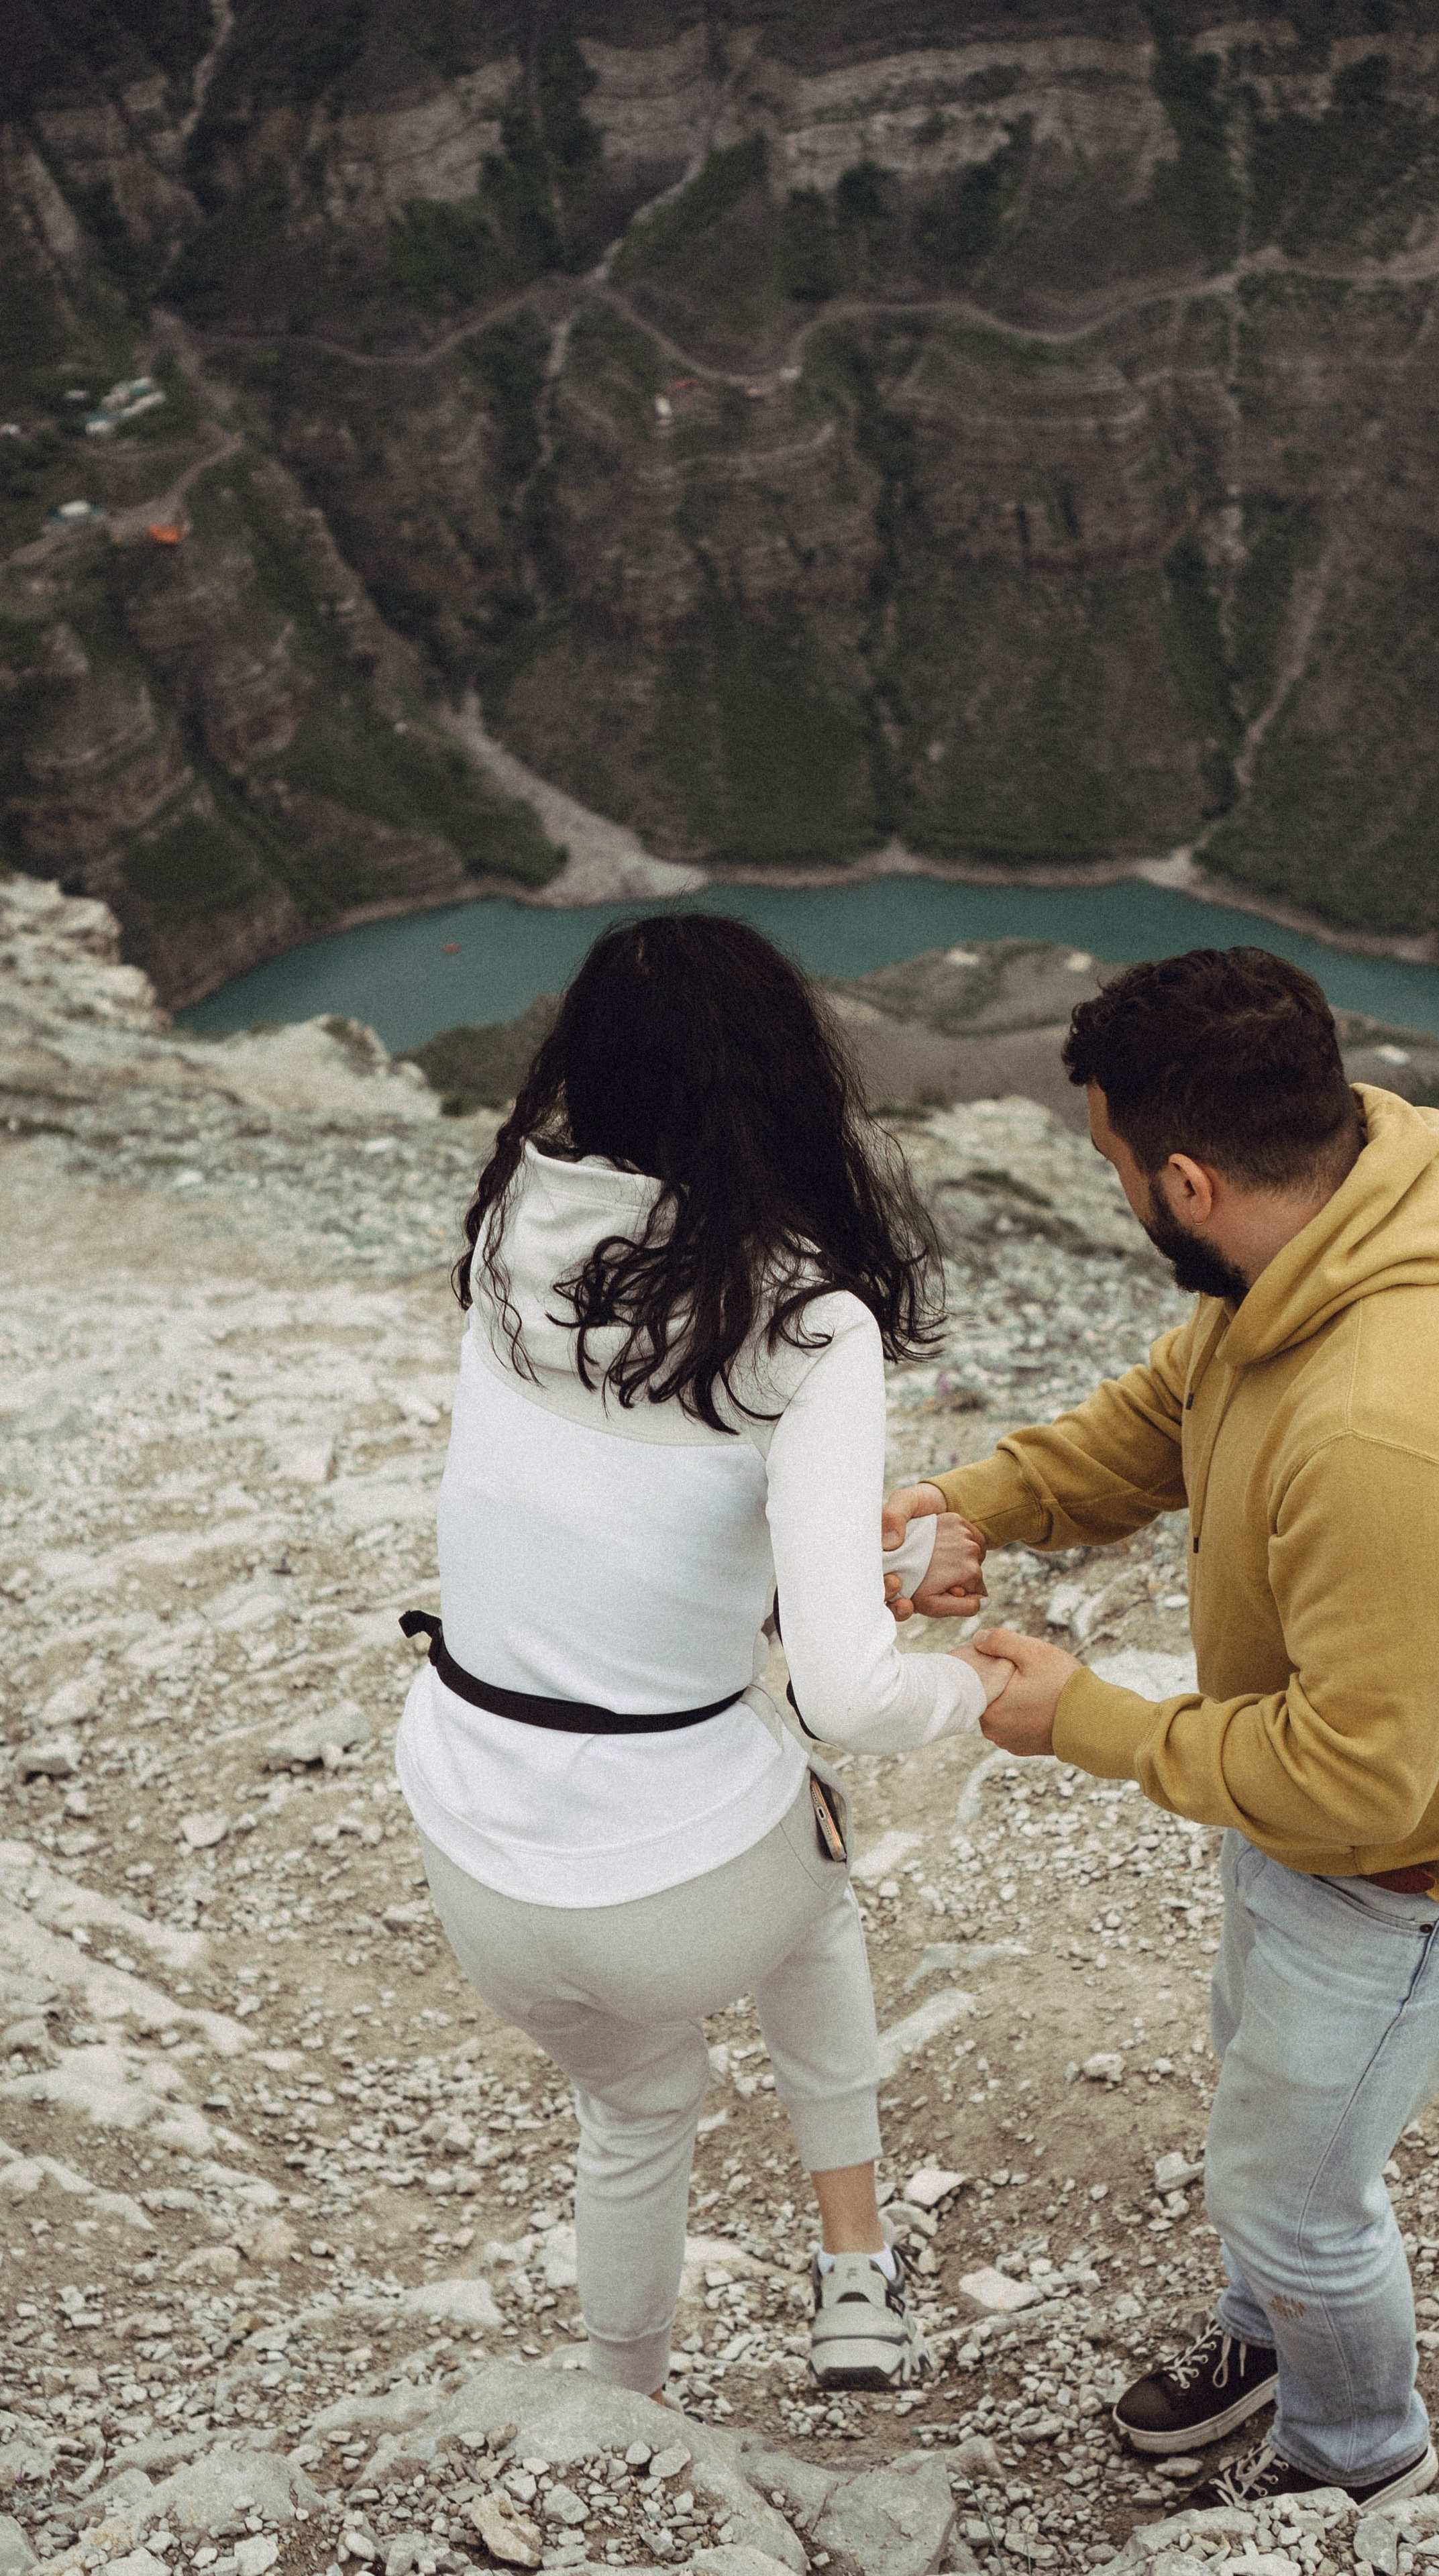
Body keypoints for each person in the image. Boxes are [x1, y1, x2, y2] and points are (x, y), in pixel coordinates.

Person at [884, 947, 1439, 2513]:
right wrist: (970, 1505)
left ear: (1188, 1182)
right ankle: (1269, 2336)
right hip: (1312, 1824)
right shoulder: (1325, 1238)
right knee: (1260, 2113)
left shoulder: (1382, 1431)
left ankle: (1359, 2473)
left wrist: (1084, 1720)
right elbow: (1169, 1407)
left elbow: (1355, 1786)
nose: (1115, 1193)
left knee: (1293, 2191)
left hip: (1415, 1875)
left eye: (1117, 1167)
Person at [396, 914, 1000, 2404]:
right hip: (675, 1890)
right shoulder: (804, 1319)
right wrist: (978, 1677)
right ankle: (854, 2266)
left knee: (640, 2105)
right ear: (788, 1083)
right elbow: (851, 1695)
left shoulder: (509, 1234)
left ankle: (625, 2422)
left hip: (471, 1851)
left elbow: (631, 1524)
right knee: (808, 1886)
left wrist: (856, 1569)